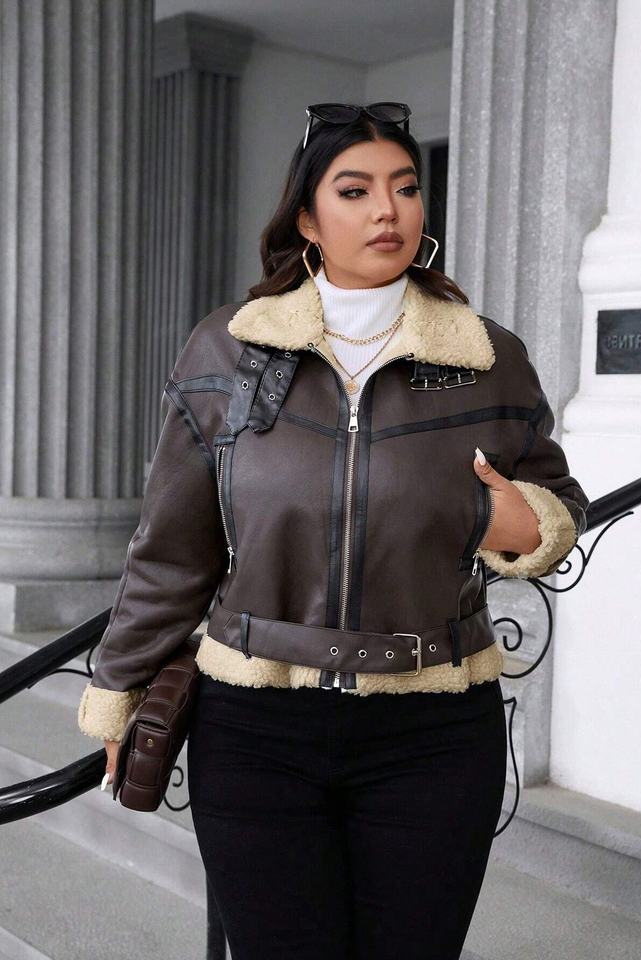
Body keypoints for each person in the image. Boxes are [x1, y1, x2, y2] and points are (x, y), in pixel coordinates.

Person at [77, 101, 589, 959]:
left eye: (405, 188)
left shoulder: (485, 355)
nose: (387, 210)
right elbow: (171, 550)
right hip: (256, 725)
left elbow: (558, 503)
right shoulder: (226, 352)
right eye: (354, 191)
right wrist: (120, 689)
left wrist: (516, 521)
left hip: (434, 725)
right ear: (307, 220)